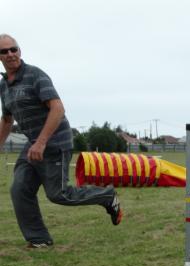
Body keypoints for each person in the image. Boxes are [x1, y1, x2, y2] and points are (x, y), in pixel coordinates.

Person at [0, 34, 122, 249]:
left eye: (14, 49)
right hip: (34, 143)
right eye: (4, 51)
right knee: (19, 189)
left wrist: (41, 142)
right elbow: (7, 120)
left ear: (19, 51)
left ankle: (107, 195)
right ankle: (39, 240)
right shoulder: (4, 86)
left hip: (55, 141)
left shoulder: (35, 75)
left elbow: (58, 108)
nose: (10, 54)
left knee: (59, 194)